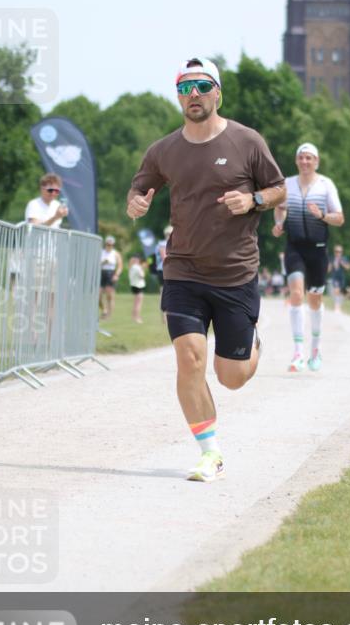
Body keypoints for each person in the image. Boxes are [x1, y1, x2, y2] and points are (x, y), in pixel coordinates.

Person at [126, 56, 286, 483]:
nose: (192, 95)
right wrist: (136, 202)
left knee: (230, 377)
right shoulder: (164, 150)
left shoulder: (247, 141)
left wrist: (252, 201)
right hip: (184, 271)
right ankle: (209, 453)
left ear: (217, 92)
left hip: (235, 274)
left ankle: (252, 343)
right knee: (189, 359)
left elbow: (278, 188)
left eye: (200, 87)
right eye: (184, 88)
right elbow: (140, 187)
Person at [272, 143, 344, 372]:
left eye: (309, 158)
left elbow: (339, 218)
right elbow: (280, 208)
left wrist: (322, 215)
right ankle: (298, 352)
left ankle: (315, 348)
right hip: (294, 247)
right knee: (295, 294)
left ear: (317, 162)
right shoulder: (287, 184)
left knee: (314, 300)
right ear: (296, 161)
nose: (305, 161)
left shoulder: (325, 185)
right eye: (301, 157)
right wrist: (279, 223)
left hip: (318, 250)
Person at [99, 236, 123, 320]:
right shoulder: (101, 252)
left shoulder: (116, 253)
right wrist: (103, 262)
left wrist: (116, 275)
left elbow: (120, 266)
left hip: (110, 273)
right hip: (101, 273)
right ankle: (104, 310)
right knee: (99, 295)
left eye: (111, 245)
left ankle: (109, 315)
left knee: (110, 295)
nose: (109, 246)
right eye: (108, 244)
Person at [329, 244, 350, 313]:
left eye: (339, 251)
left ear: (342, 252)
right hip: (334, 277)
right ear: (334, 252)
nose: (338, 253)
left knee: (341, 293)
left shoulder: (344, 258)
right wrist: (331, 265)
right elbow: (328, 270)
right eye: (336, 251)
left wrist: (342, 263)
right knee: (336, 290)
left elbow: (348, 268)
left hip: (342, 278)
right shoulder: (332, 259)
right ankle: (336, 307)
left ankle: (339, 307)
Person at [128, 254, 147, 323]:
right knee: (138, 303)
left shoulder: (131, 267)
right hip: (138, 286)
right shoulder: (138, 267)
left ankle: (134, 316)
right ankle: (137, 317)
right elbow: (142, 276)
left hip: (133, 285)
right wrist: (143, 268)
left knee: (135, 302)